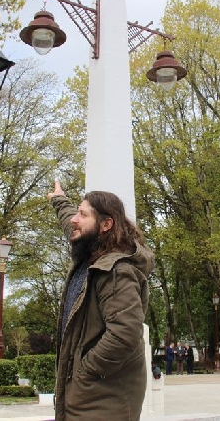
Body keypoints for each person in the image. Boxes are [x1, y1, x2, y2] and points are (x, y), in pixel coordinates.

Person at [48, 180, 154, 421]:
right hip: (88, 398)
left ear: (106, 224)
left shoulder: (116, 271)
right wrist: (59, 200)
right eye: (76, 211)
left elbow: (125, 333)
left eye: (83, 214)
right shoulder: (92, 254)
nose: (75, 219)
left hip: (103, 402)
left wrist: (84, 372)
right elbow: (70, 224)